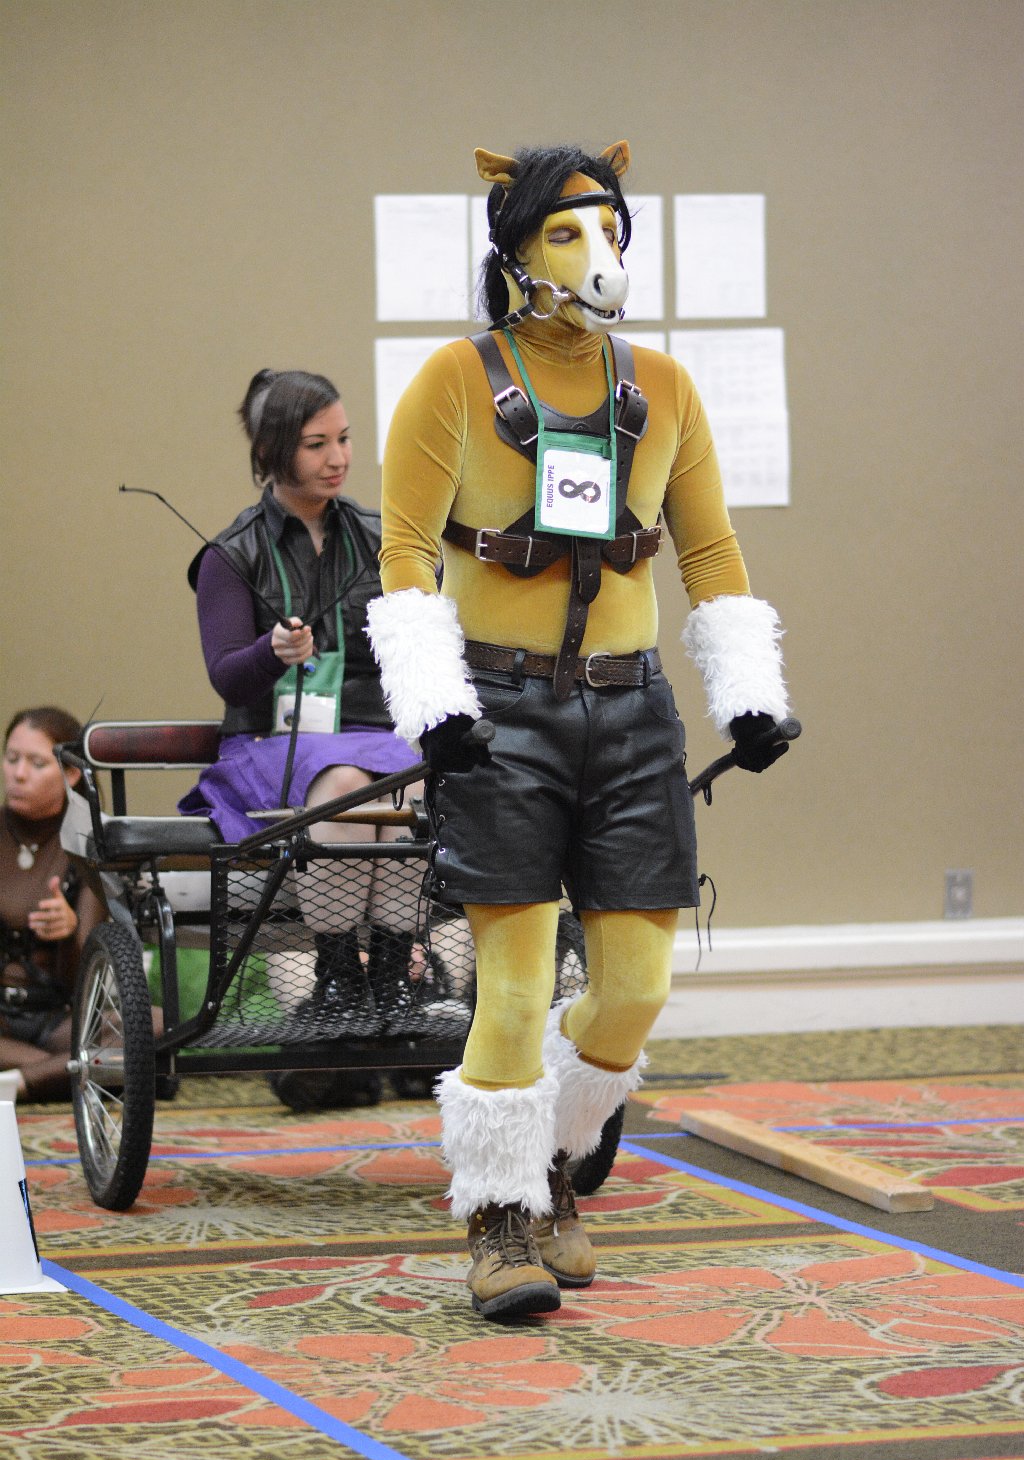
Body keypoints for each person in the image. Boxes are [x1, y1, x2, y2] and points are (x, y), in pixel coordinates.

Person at [367, 141, 793, 1321]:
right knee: (511, 994)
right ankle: (499, 1218)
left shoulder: (664, 387)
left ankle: (547, 1154)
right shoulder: (453, 381)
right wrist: (435, 703)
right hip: (499, 715)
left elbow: (709, 549)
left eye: (605, 230)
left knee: (636, 991)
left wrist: (747, 687)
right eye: (565, 232)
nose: (594, 254)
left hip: (632, 710)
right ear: (516, 252)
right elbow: (403, 552)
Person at [178, 369, 426, 1110]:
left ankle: (391, 977)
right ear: (272, 451)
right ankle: (338, 976)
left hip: (374, 746)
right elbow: (228, 678)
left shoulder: (380, 539)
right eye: (316, 444)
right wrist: (272, 652)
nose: (337, 458)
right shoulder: (231, 554)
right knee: (351, 785)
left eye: (343, 439)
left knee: (407, 779)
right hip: (270, 749)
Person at [0, 707, 105, 1102]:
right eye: (11, 758)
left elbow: (90, 983)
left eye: (36, 763)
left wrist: (70, 929)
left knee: (151, 1025)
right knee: (123, 1058)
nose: (18, 774)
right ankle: (71, 1073)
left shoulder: (88, 841)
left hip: (60, 1019)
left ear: (71, 774)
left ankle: (21, 1081)